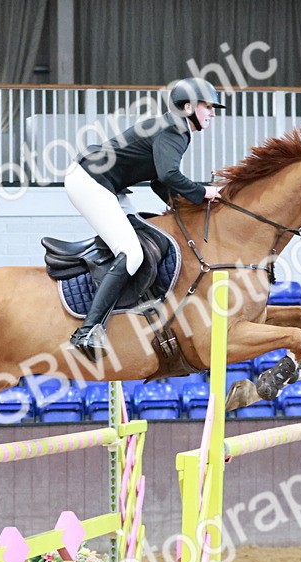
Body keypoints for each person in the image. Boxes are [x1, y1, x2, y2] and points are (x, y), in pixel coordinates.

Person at [64, 77, 225, 361]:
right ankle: (87, 330)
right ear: (188, 106)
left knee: (145, 237)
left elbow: (157, 184)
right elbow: (168, 176)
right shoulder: (175, 130)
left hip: (106, 184)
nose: (212, 112)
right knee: (132, 254)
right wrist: (203, 192)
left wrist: (187, 211)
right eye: (207, 106)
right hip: (90, 181)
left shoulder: (172, 126)